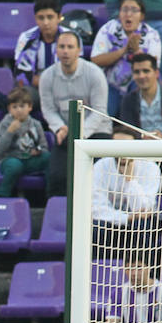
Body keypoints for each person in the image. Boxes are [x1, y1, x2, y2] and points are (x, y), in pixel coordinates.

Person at [40, 30, 110, 197]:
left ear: (79, 51)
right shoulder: (47, 76)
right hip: (64, 133)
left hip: (96, 132)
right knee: (57, 176)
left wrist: (80, 133)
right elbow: (48, 110)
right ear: (56, 50)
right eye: (62, 47)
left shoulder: (94, 74)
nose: (65, 51)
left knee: (98, 177)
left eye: (70, 47)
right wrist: (59, 128)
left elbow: (99, 110)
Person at [92, 126, 162, 257]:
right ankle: (98, 272)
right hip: (110, 221)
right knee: (94, 228)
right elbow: (97, 208)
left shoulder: (150, 167)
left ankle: (140, 271)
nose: (122, 150)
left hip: (141, 223)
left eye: (126, 146)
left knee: (142, 226)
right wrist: (126, 218)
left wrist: (130, 180)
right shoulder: (100, 166)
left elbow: (143, 208)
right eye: (117, 146)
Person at [91, 0, 162, 115]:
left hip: (138, 84)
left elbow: (152, 68)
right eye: (124, 9)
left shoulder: (152, 35)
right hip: (110, 85)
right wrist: (123, 51)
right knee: (106, 113)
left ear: (142, 16)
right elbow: (96, 59)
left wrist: (136, 50)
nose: (128, 14)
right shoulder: (108, 29)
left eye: (134, 10)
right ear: (119, 13)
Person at [117, 53, 162, 141]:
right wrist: (143, 137)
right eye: (137, 72)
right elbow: (127, 130)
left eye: (146, 71)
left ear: (156, 73)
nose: (141, 76)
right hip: (140, 149)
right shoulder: (128, 99)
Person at [0, 87, 49, 197]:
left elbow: (44, 147)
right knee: (15, 166)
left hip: (29, 159)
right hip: (10, 160)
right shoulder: (5, 124)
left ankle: (50, 193)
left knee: (48, 157)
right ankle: (2, 194)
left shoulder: (36, 124)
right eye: (15, 107)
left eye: (22, 106)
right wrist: (10, 132)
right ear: (9, 109)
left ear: (30, 107)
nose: (19, 110)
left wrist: (37, 151)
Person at [14, 0, 61, 105]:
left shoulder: (71, 37)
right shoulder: (26, 38)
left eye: (50, 17)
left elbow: (76, 69)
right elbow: (21, 73)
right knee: (20, 99)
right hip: (34, 88)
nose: (45, 22)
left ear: (59, 17)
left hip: (63, 89)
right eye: (41, 18)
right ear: (35, 19)